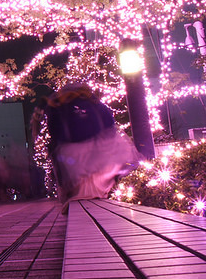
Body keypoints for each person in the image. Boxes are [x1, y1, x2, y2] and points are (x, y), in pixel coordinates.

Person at [32, 83, 139, 214]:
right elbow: (109, 122)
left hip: (71, 153)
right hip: (102, 150)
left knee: (80, 186)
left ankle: (77, 205)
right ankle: (95, 206)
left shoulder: (57, 105)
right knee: (98, 183)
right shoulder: (95, 103)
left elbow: (53, 130)